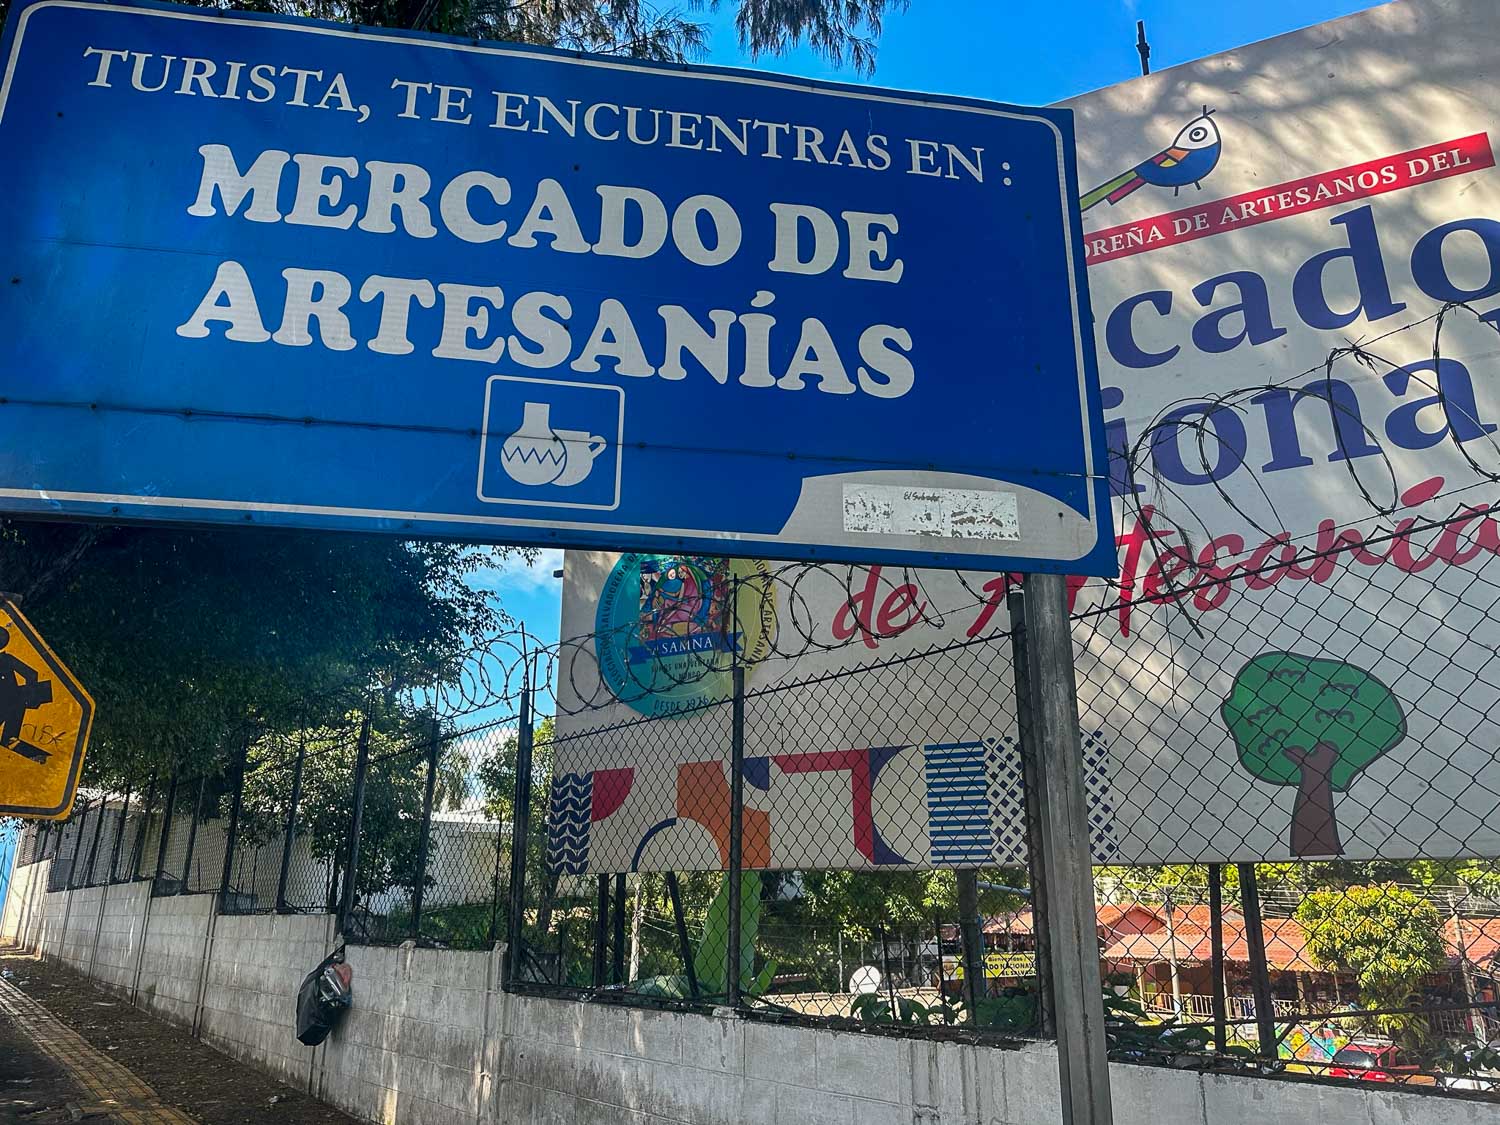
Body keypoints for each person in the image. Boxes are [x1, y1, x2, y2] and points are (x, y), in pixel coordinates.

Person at [0, 626, 45, 746]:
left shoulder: (7, 660)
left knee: (16, 704)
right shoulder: (7, 659)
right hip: (11, 703)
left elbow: (31, 675)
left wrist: (28, 697)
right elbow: (32, 674)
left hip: (10, 703)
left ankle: (10, 742)